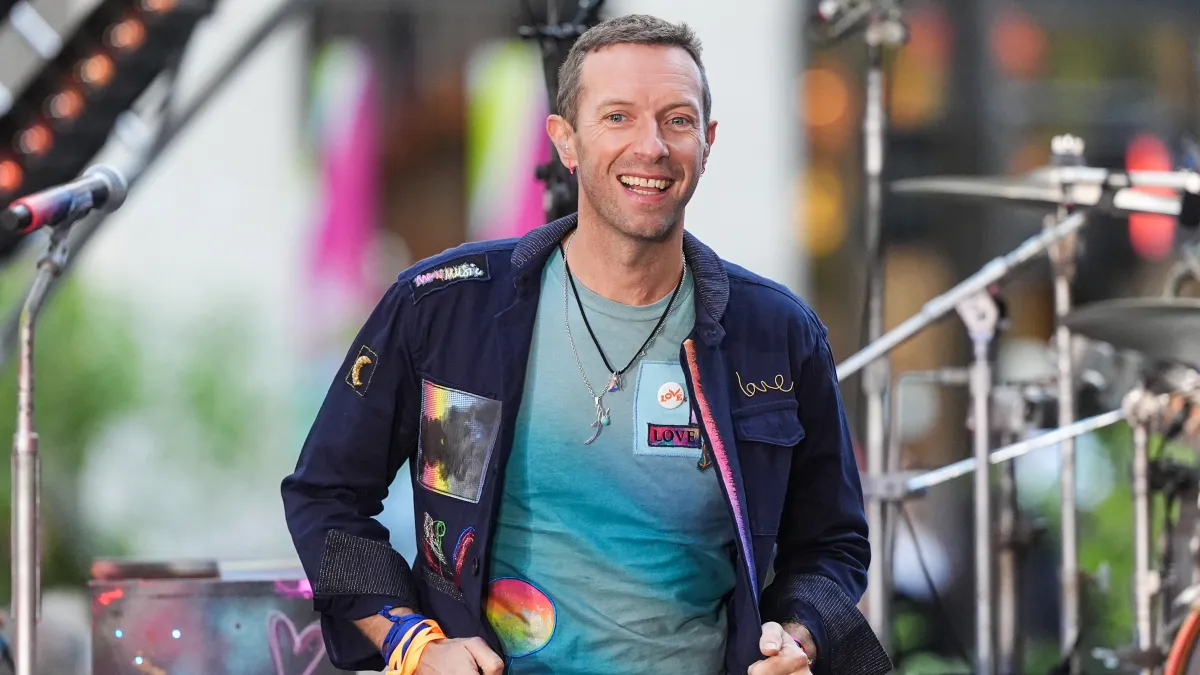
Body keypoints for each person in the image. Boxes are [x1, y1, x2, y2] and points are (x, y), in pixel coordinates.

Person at [282, 13, 890, 675]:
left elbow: (832, 544)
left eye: (677, 119)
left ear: (708, 142)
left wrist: (796, 636)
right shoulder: (445, 306)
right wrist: (412, 643)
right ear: (565, 142)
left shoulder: (775, 333)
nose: (651, 146)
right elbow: (327, 497)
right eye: (618, 117)